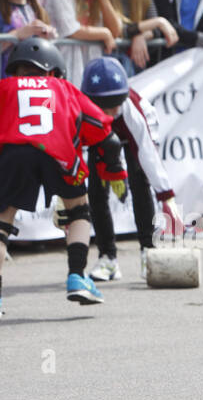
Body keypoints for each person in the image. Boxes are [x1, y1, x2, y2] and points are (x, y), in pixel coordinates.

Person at [0, 37, 126, 315]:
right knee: (79, 211)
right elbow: (107, 136)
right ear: (53, 69)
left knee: (3, 223)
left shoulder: (4, 87)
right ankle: (77, 277)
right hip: (59, 153)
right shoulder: (64, 88)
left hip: (14, 154)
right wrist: (114, 171)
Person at [81, 56, 182, 283]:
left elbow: (148, 155)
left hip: (134, 135)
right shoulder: (82, 110)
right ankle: (108, 258)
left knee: (140, 181)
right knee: (96, 191)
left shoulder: (132, 109)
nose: (110, 110)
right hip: (102, 137)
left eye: (115, 102)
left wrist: (166, 195)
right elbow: (73, 151)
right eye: (104, 105)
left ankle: (149, 251)